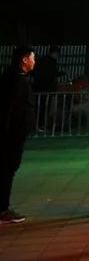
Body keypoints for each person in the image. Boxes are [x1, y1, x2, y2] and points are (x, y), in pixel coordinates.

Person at [0, 46, 36, 224]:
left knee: (7, 169)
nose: (34, 61)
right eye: (32, 58)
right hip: (11, 135)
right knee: (7, 169)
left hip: (13, 133)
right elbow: (9, 108)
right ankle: (2, 209)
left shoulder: (14, 77)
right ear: (24, 59)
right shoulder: (16, 80)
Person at [32, 45, 65, 133]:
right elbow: (51, 74)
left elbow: (36, 73)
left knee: (39, 107)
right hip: (46, 88)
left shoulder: (42, 60)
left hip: (39, 88)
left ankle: (37, 125)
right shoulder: (50, 62)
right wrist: (60, 73)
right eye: (58, 54)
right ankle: (40, 126)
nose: (58, 56)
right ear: (55, 53)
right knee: (43, 108)